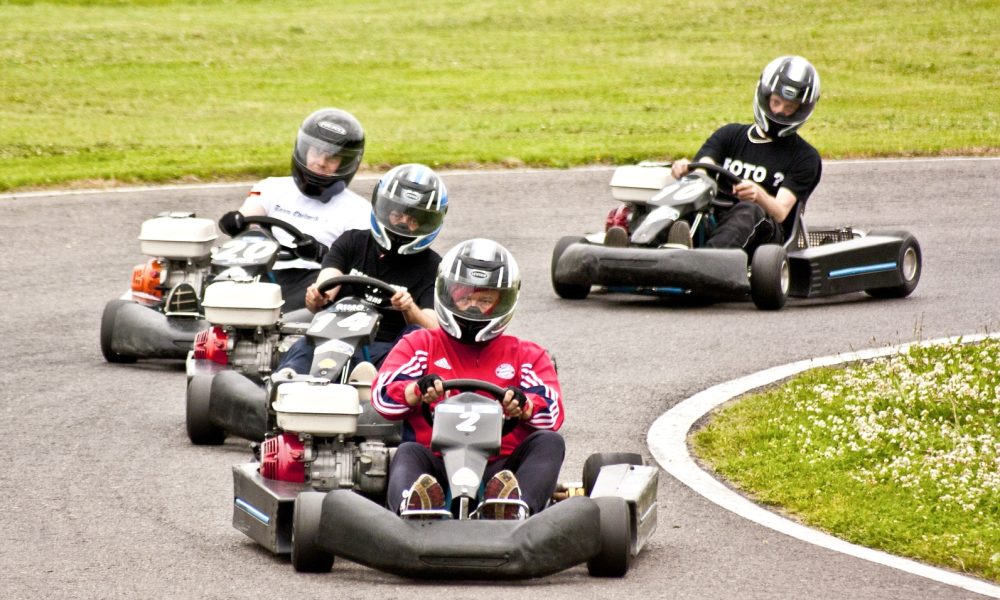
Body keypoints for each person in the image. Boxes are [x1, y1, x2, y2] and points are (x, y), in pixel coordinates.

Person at [372, 239, 565, 520]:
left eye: (485, 300)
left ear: (504, 302)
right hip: (434, 465)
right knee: (407, 451)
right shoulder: (420, 344)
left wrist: (523, 407)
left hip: (503, 470)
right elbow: (383, 399)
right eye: (465, 298)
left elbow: (552, 413)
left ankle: (512, 509)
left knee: (549, 442)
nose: (473, 307)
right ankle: (415, 510)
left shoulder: (526, 354)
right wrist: (417, 390)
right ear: (448, 295)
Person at [276, 163, 448, 374]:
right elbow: (325, 287)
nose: (402, 224)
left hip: (388, 349)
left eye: (412, 220)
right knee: (302, 350)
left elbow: (432, 328)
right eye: (397, 215)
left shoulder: (432, 267)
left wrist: (409, 308)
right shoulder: (352, 242)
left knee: (412, 345)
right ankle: (284, 387)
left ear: (427, 223)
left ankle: (371, 388)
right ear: (383, 209)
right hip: (332, 340)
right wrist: (317, 298)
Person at [217, 108, 372, 311]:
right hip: (263, 273)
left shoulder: (359, 211)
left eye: (332, 158)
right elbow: (249, 213)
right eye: (316, 152)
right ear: (304, 149)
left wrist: (320, 254)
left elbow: (356, 266)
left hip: (314, 282)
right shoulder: (271, 187)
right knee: (221, 278)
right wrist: (236, 221)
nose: (321, 163)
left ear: (347, 163)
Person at [665, 55, 822, 254]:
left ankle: (706, 259)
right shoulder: (730, 135)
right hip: (714, 218)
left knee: (749, 210)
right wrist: (685, 169)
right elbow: (704, 167)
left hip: (764, 235)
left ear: (801, 110)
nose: (780, 112)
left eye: (790, 108)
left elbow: (781, 212)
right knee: (679, 197)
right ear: (765, 97)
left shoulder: (804, 157)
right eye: (776, 102)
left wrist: (759, 196)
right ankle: (640, 247)